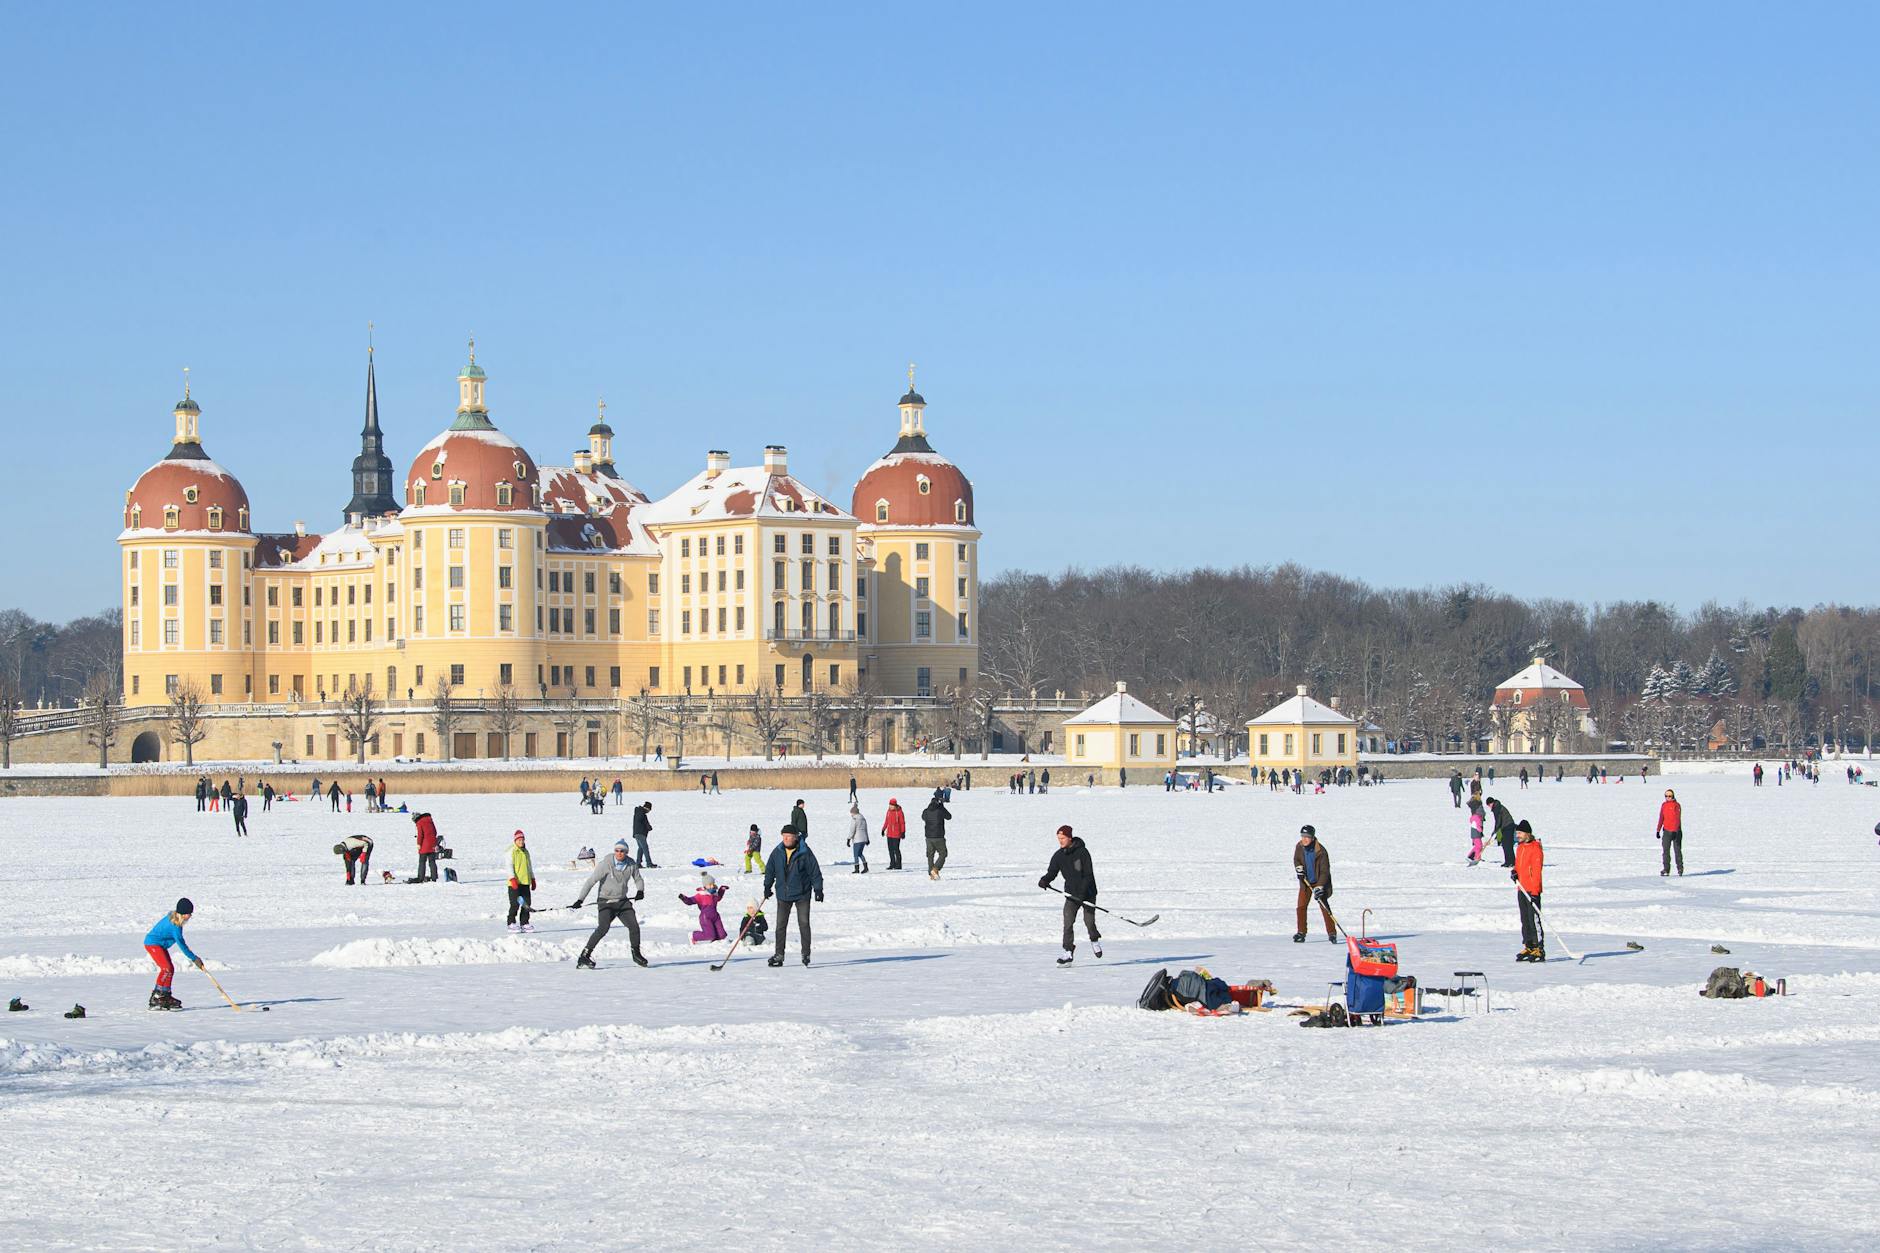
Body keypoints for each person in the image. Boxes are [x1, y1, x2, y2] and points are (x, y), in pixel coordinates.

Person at [571, 840, 646, 968]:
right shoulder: (605, 864)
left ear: (626, 853)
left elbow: (638, 879)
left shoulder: (631, 864)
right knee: (603, 928)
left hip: (622, 902)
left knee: (634, 926)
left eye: (622, 851)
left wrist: (640, 891)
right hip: (605, 901)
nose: (619, 853)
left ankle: (636, 953)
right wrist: (580, 900)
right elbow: (591, 882)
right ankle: (585, 955)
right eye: (617, 850)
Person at [1038, 824, 1101, 966]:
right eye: (1058, 838)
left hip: (1088, 893)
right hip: (1071, 895)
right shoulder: (1058, 855)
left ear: (1070, 838)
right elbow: (1052, 872)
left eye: (1063, 838)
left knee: (1089, 922)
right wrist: (1045, 880)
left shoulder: (1083, 852)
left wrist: (1082, 894)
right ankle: (1068, 951)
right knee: (1068, 922)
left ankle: (1094, 940)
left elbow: (1088, 875)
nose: (1060, 841)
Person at [762, 824, 823, 967]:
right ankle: (779, 955)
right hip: (783, 894)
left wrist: (818, 889)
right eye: (783, 836)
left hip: (802, 894)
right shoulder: (777, 852)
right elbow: (770, 869)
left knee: (804, 923)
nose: (786, 839)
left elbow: (815, 871)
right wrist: (767, 886)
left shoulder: (805, 852)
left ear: (796, 837)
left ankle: (806, 953)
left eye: (788, 836)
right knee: (780, 926)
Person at [143, 898, 202, 1010]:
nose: (190, 916)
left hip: (160, 945)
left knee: (170, 968)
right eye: (188, 913)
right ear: (182, 913)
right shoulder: (175, 926)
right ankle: (157, 997)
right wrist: (194, 959)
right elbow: (182, 945)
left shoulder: (176, 920)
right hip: (153, 944)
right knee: (166, 968)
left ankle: (165, 995)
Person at [1293, 825, 1336, 943]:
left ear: (1312, 837)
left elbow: (1324, 871)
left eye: (1307, 837)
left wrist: (1320, 886)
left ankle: (1332, 933)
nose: (1304, 839)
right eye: (1303, 836)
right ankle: (1301, 932)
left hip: (1318, 882)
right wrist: (1299, 868)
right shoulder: (1299, 846)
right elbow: (1296, 859)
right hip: (1305, 882)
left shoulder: (1321, 851)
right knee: (1301, 907)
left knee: (1324, 907)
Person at [1513, 820, 1545, 961]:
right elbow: (1518, 866)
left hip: (1532, 891)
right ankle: (1529, 945)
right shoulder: (1520, 848)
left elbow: (1537, 872)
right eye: (1517, 833)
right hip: (1521, 888)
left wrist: (1535, 892)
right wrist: (1514, 872)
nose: (1517, 835)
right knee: (1524, 919)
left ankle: (1539, 948)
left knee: (1534, 920)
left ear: (1527, 834)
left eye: (1520, 833)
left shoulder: (1535, 848)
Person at [680, 872, 729, 943]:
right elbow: (690, 901)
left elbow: (719, 898)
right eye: (710, 884)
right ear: (705, 885)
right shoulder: (701, 895)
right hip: (705, 917)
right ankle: (693, 935)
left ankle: (715, 943)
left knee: (722, 935)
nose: (712, 886)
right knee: (710, 935)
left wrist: (722, 889)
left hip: (715, 916)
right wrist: (684, 898)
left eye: (713, 884)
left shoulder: (714, 894)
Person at [507, 831, 537, 932]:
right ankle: (511, 923)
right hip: (514, 883)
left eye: (523, 839)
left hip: (525, 882)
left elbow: (529, 867)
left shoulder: (526, 852)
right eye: (519, 840)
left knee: (526, 904)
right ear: (515, 840)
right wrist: (512, 878)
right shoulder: (511, 851)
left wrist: (532, 879)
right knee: (515, 904)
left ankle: (524, 923)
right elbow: (509, 866)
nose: (521, 841)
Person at [922, 790, 951, 879]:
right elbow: (949, 817)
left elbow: (923, 817)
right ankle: (935, 869)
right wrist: (942, 807)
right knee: (943, 853)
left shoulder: (926, 811)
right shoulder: (940, 810)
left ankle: (932, 874)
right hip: (939, 836)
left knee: (930, 855)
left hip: (928, 837)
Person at [1656, 788, 1685, 877]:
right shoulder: (1664, 805)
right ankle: (1666, 869)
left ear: (1673, 796)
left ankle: (1680, 868)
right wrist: (1658, 830)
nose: (1668, 797)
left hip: (1676, 832)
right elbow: (1661, 817)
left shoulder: (1677, 805)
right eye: (1666, 796)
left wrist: (1676, 830)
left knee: (1677, 851)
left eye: (1669, 796)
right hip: (1667, 831)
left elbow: (1677, 818)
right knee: (1665, 851)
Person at [1486, 796, 1517, 868]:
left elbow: (1498, 820)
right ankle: (1509, 861)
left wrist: (1495, 830)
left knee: (1507, 845)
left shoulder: (1496, 808)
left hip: (1508, 827)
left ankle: (1511, 862)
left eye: (1489, 805)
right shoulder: (1497, 806)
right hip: (1506, 827)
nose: (1489, 807)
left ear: (1491, 803)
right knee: (1506, 845)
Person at [412, 811, 441, 882]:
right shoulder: (430, 820)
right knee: (432, 861)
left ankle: (420, 877)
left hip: (424, 845)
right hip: (433, 844)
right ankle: (434, 877)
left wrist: (418, 844)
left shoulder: (419, 822)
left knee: (422, 861)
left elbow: (420, 835)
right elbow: (435, 831)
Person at [882, 797, 906, 870]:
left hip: (897, 834)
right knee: (890, 849)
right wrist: (883, 829)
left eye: (892, 805)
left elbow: (902, 823)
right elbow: (886, 821)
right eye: (890, 805)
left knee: (896, 849)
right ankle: (892, 864)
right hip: (889, 834)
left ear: (895, 805)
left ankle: (898, 864)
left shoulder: (899, 812)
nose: (890, 806)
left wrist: (903, 832)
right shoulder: (888, 811)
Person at [846, 803, 871, 873]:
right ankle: (866, 867)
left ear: (854, 813)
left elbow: (852, 830)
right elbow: (866, 829)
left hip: (857, 839)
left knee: (856, 855)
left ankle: (857, 869)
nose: (851, 815)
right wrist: (867, 839)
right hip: (863, 839)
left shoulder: (855, 819)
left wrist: (848, 839)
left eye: (851, 813)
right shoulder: (863, 818)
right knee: (860, 853)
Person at [632, 801, 657, 868]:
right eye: (649, 810)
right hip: (640, 833)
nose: (649, 812)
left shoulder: (639, 812)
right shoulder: (641, 813)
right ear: (647, 808)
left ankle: (638, 863)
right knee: (645, 848)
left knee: (641, 848)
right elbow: (642, 821)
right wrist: (648, 827)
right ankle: (649, 863)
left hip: (637, 833)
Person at [1467, 797, 1486, 866]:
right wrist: (1481, 831)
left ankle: (1473, 856)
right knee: (1479, 846)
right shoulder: (1477, 817)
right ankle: (1476, 857)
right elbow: (1478, 826)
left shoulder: (1476, 816)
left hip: (1474, 834)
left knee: (1478, 846)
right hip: (1476, 834)